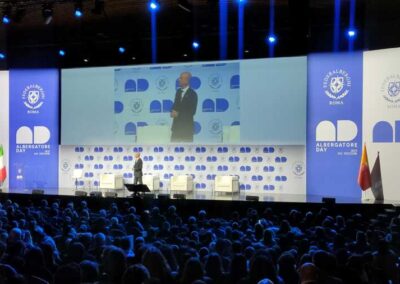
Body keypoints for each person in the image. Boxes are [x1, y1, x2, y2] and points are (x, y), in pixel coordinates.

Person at [170, 71, 198, 142]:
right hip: (176, 128)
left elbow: (192, 112)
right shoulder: (178, 91)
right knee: (173, 150)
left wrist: (178, 114)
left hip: (186, 129)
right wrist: (172, 111)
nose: (179, 80)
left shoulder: (193, 94)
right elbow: (175, 105)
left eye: (181, 78)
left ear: (187, 80)